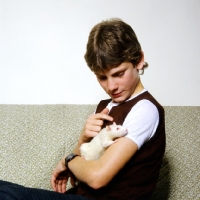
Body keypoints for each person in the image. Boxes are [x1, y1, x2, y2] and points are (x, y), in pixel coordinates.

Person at [0, 18, 165, 200]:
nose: (111, 86)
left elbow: (97, 177)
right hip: (80, 196)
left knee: (6, 195)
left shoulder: (145, 109)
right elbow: (87, 160)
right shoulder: (105, 106)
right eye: (102, 77)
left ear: (139, 61)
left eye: (118, 74)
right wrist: (83, 139)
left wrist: (67, 160)